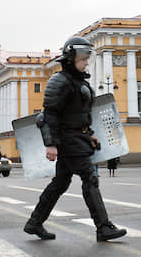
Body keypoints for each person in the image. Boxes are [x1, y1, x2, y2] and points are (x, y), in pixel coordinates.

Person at [24, 37, 126, 242]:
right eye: (83, 58)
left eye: (88, 58)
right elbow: (49, 115)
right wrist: (50, 143)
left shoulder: (77, 81)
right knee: (90, 177)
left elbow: (76, 116)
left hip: (75, 138)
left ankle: (35, 222)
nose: (87, 62)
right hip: (67, 140)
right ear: (71, 59)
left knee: (60, 183)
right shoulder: (59, 81)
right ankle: (103, 227)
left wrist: (89, 135)